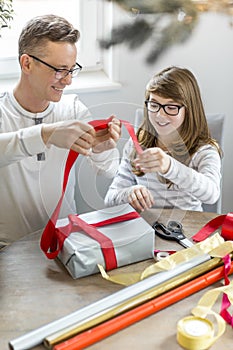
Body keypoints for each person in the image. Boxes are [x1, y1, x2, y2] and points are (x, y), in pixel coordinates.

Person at [0, 14, 121, 246]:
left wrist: (103, 149)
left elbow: (109, 170)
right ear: (27, 64)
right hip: (7, 252)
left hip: (66, 246)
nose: (68, 81)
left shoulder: (73, 109)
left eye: (71, 69)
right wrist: (47, 134)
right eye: (59, 70)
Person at [105, 66, 222, 212]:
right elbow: (110, 198)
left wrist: (169, 166)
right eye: (154, 105)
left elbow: (212, 194)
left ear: (189, 109)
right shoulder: (137, 145)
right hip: (145, 227)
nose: (160, 115)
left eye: (171, 107)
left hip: (185, 229)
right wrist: (128, 194)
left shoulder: (203, 151)